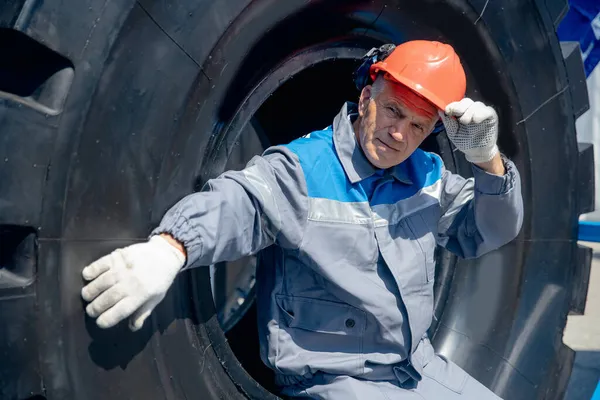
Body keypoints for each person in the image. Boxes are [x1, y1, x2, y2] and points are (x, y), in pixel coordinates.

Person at [80, 40, 523, 399]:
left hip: (416, 369)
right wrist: (171, 248)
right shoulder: (303, 169)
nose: (399, 134)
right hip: (336, 380)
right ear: (367, 96)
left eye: (418, 125)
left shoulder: (426, 176)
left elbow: (489, 230)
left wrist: (488, 162)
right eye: (393, 111)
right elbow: (242, 201)